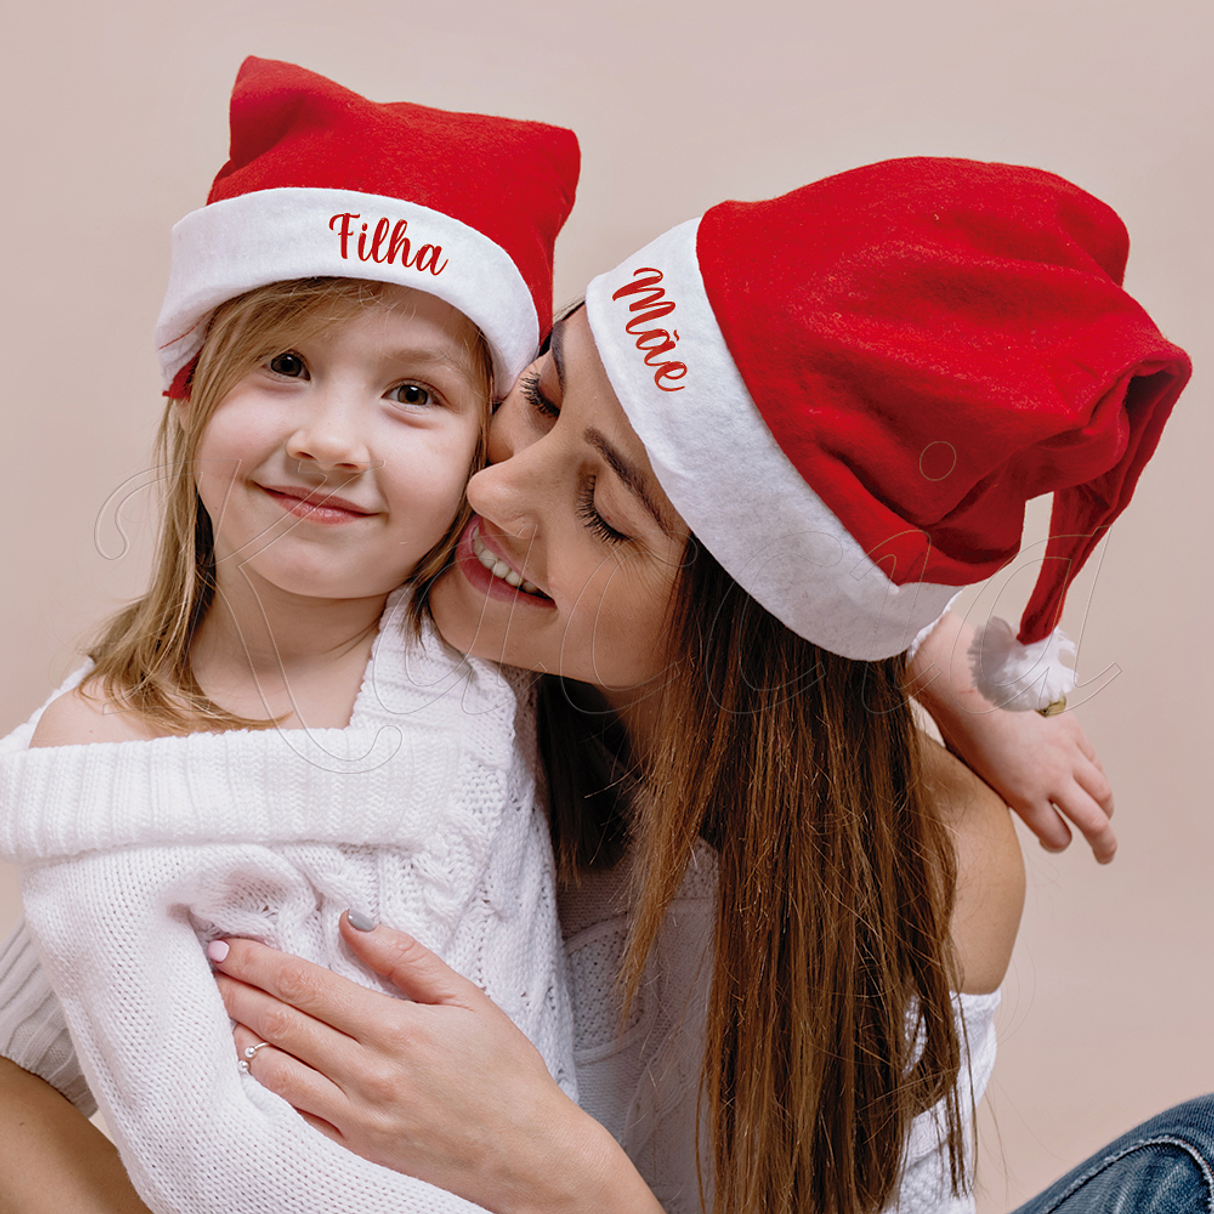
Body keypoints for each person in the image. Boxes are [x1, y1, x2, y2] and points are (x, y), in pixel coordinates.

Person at [0, 158, 1187, 1213]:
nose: (488, 494)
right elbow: (63, 974)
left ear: (752, 629)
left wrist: (557, 1173)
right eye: (543, 396)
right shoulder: (401, 644)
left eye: (602, 516)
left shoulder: (925, 861)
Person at [0, 56, 582, 1214]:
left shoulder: (486, 642)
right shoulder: (104, 761)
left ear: (488, 446)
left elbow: (728, 542)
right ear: (192, 384)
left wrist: (938, 666)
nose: (329, 438)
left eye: (412, 393)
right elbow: (213, 1157)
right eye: (285, 363)